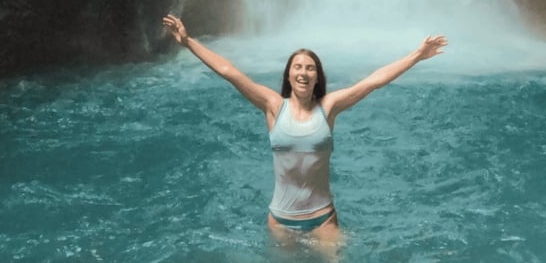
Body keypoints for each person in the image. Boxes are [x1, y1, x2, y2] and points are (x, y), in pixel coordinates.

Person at [161, 13, 448, 244]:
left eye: (310, 68)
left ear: (317, 77)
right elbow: (229, 72)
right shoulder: (273, 105)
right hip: (280, 222)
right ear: (288, 74)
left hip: (323, 220)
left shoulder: (329, 107)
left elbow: (373, 82)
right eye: (297, 67)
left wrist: (417, 55)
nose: (303, 72)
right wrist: (188, 42)